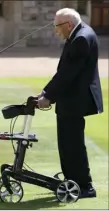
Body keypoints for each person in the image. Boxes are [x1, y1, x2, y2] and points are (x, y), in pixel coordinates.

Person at [37, 8, 103, 198]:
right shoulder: (81, 32)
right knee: (67, 144)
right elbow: (65, 71)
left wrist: (48, 95)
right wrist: (46, 91)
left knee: (72, 145)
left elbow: (68, 73)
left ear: (68, 25)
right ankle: (72, 180)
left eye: (57, 26)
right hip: (72, 99)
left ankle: (84, 186)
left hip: (75, 100)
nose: (56, 31)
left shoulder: (81, 39)